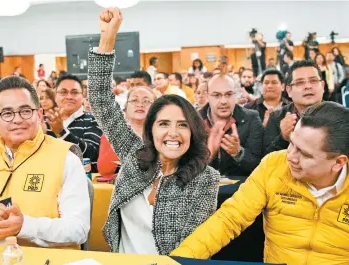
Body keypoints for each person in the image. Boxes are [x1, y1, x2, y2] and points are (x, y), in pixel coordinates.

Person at [172, 102, 349, 265]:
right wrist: (178, 260)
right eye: (292, 143)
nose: (291, 156)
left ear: (339, 162)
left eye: (304, 153)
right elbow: (229, 219)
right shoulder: (274, 164)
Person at [88, 8, 220, 255]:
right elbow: (100, 99)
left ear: (192, 132)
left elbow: (195, 249)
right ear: (151, 130)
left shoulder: (205, 179)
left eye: (182, 125)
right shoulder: (134, 156)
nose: (173, 133)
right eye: (163, 124)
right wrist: (107, 39)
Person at [0, 76, 90, 248]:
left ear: (38, 114)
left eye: (25, 111)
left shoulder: (65, 158)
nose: (17, 120)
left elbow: (78, 229)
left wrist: (25, 226)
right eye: (7, 113)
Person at [200, 73, 263, 177]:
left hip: (241, 189)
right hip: (204, 189)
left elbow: (260, 165)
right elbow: (186, 167)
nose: (223, 101)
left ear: (235, 95)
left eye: (229, 94)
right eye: (216, 95)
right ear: (208, 96)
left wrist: (238, 153)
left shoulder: (252, 118)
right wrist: (209, 155)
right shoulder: (195, 120)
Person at [263, 60, 325, 156]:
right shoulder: (276, 118)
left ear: (323, 86)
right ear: (289, 91)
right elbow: (266, 159)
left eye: (313, 81)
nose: (308, 86)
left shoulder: (340, 115)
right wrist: (283, 137)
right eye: (300, 82)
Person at [46, 74, 102, 173]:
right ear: (55, 96)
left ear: (83, 96)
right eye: (63, 92)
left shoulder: (93, 121)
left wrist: (62, 132)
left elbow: (91, 155)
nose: (69, 97)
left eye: (74, 92)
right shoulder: (45, 122)